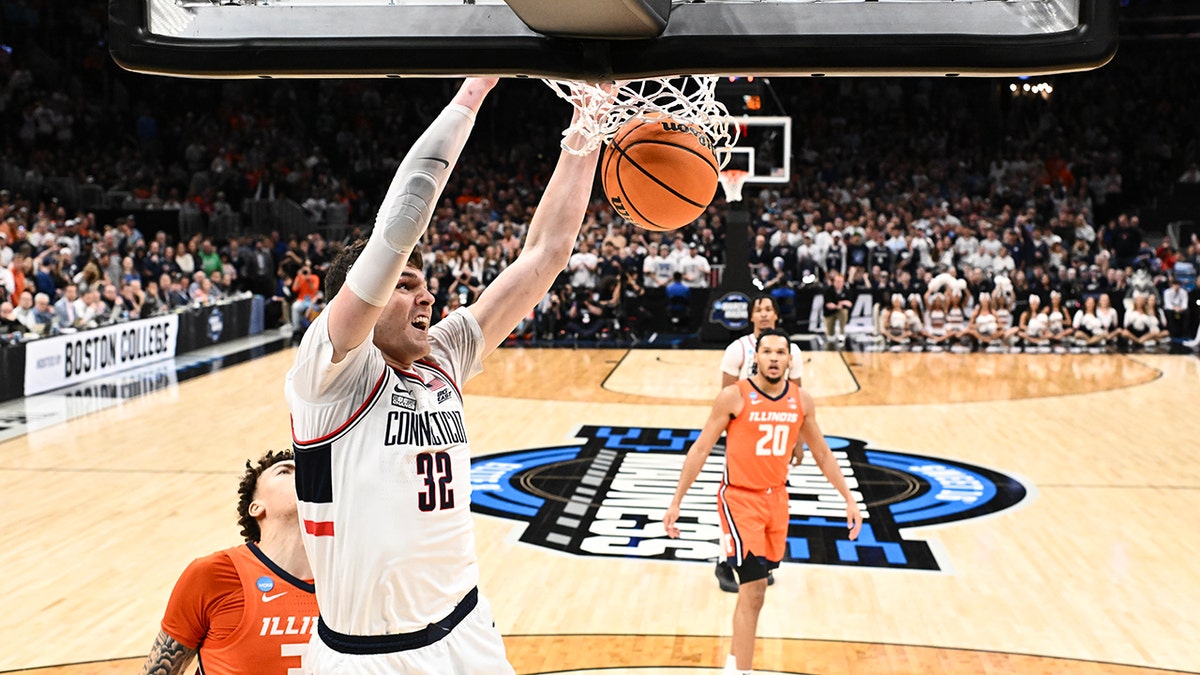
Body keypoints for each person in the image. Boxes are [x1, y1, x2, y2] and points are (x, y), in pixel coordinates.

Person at [284, 77, 599, 674]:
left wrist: (589, 116)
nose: (427, 297)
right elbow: (396, 229)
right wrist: (476, 87)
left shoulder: (442, 356)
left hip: (466, 630)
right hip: (365, 656)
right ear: (360, 301)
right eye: (405, 285)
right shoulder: (328, 375)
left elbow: (548, 252)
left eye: (426, 284)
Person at [663, 329, 862, 675]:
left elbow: (823, 453)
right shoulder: (733, 396)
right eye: (766, 351)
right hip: (739, 499)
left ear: (790, 359)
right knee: (753, 588)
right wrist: (676, 501)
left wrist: (849, 498)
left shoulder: (801, 400)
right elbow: (700, 448)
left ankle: (733, 662)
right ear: (755, 357)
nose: (773, 358)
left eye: (780, 352)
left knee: (757, 592)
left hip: (777, 499)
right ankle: (743, 670)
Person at [139, 449, 317, 675]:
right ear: (257, 507)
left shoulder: (351, 582)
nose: (302, 475)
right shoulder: (214, 574)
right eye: (284, 471)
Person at [714, 295, 803, 592]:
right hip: (743, 429)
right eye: (758, 310)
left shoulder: (793, 351)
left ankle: (757, 559)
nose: (763, 314)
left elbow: (797, 397)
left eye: (768, 310)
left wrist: (798, 440)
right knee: (736, 498)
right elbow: (725, 395)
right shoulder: (737, 349)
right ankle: (724, 561)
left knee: (767, 498)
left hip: (775, 431)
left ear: (776, 315)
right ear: (751, 316)